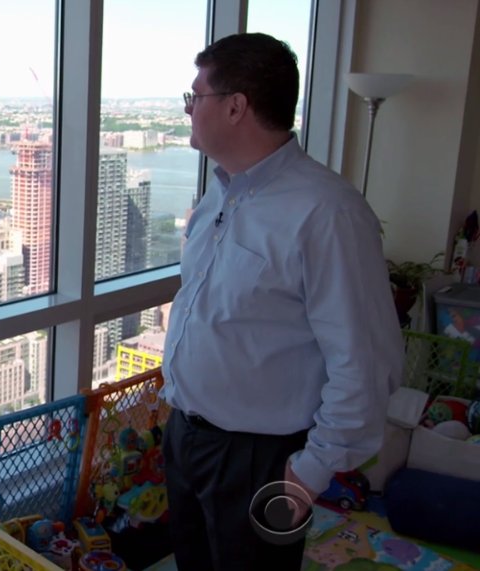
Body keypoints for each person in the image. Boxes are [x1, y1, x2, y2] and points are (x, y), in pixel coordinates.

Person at [160, 33, 403, 570]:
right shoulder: (221, 193)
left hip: (261, 459)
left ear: (235, 106)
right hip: (188, 440)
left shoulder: (328, 213)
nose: (188, 109)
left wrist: (310, 472)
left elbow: (366, 362)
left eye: (195, 96)